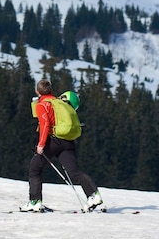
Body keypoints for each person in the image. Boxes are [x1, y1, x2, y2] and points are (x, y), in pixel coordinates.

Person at [21, 78, 103, 212]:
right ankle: (93, 195)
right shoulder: (59, 102)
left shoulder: (42, 105)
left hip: (53, 141)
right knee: (74, 172)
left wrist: (41, 145)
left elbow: (45, 124)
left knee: (34, 168)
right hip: (67, 141)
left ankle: (35, 202)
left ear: (37, 91)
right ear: (52, 90)